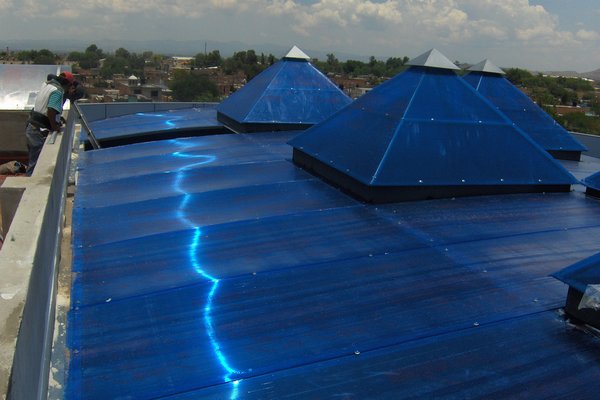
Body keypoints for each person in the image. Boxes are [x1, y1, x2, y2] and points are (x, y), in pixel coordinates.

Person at [24, 71, 74, 175]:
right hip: (38, 130)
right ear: (67, 84)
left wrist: (58, 118)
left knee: (33, 160)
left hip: (32, 125)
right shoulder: (58, 91)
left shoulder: (47, 85)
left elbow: (47, 106)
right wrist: (55, 127)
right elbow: (51, 110)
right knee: (36, 163)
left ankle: (30, 179)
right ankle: (31, 182)